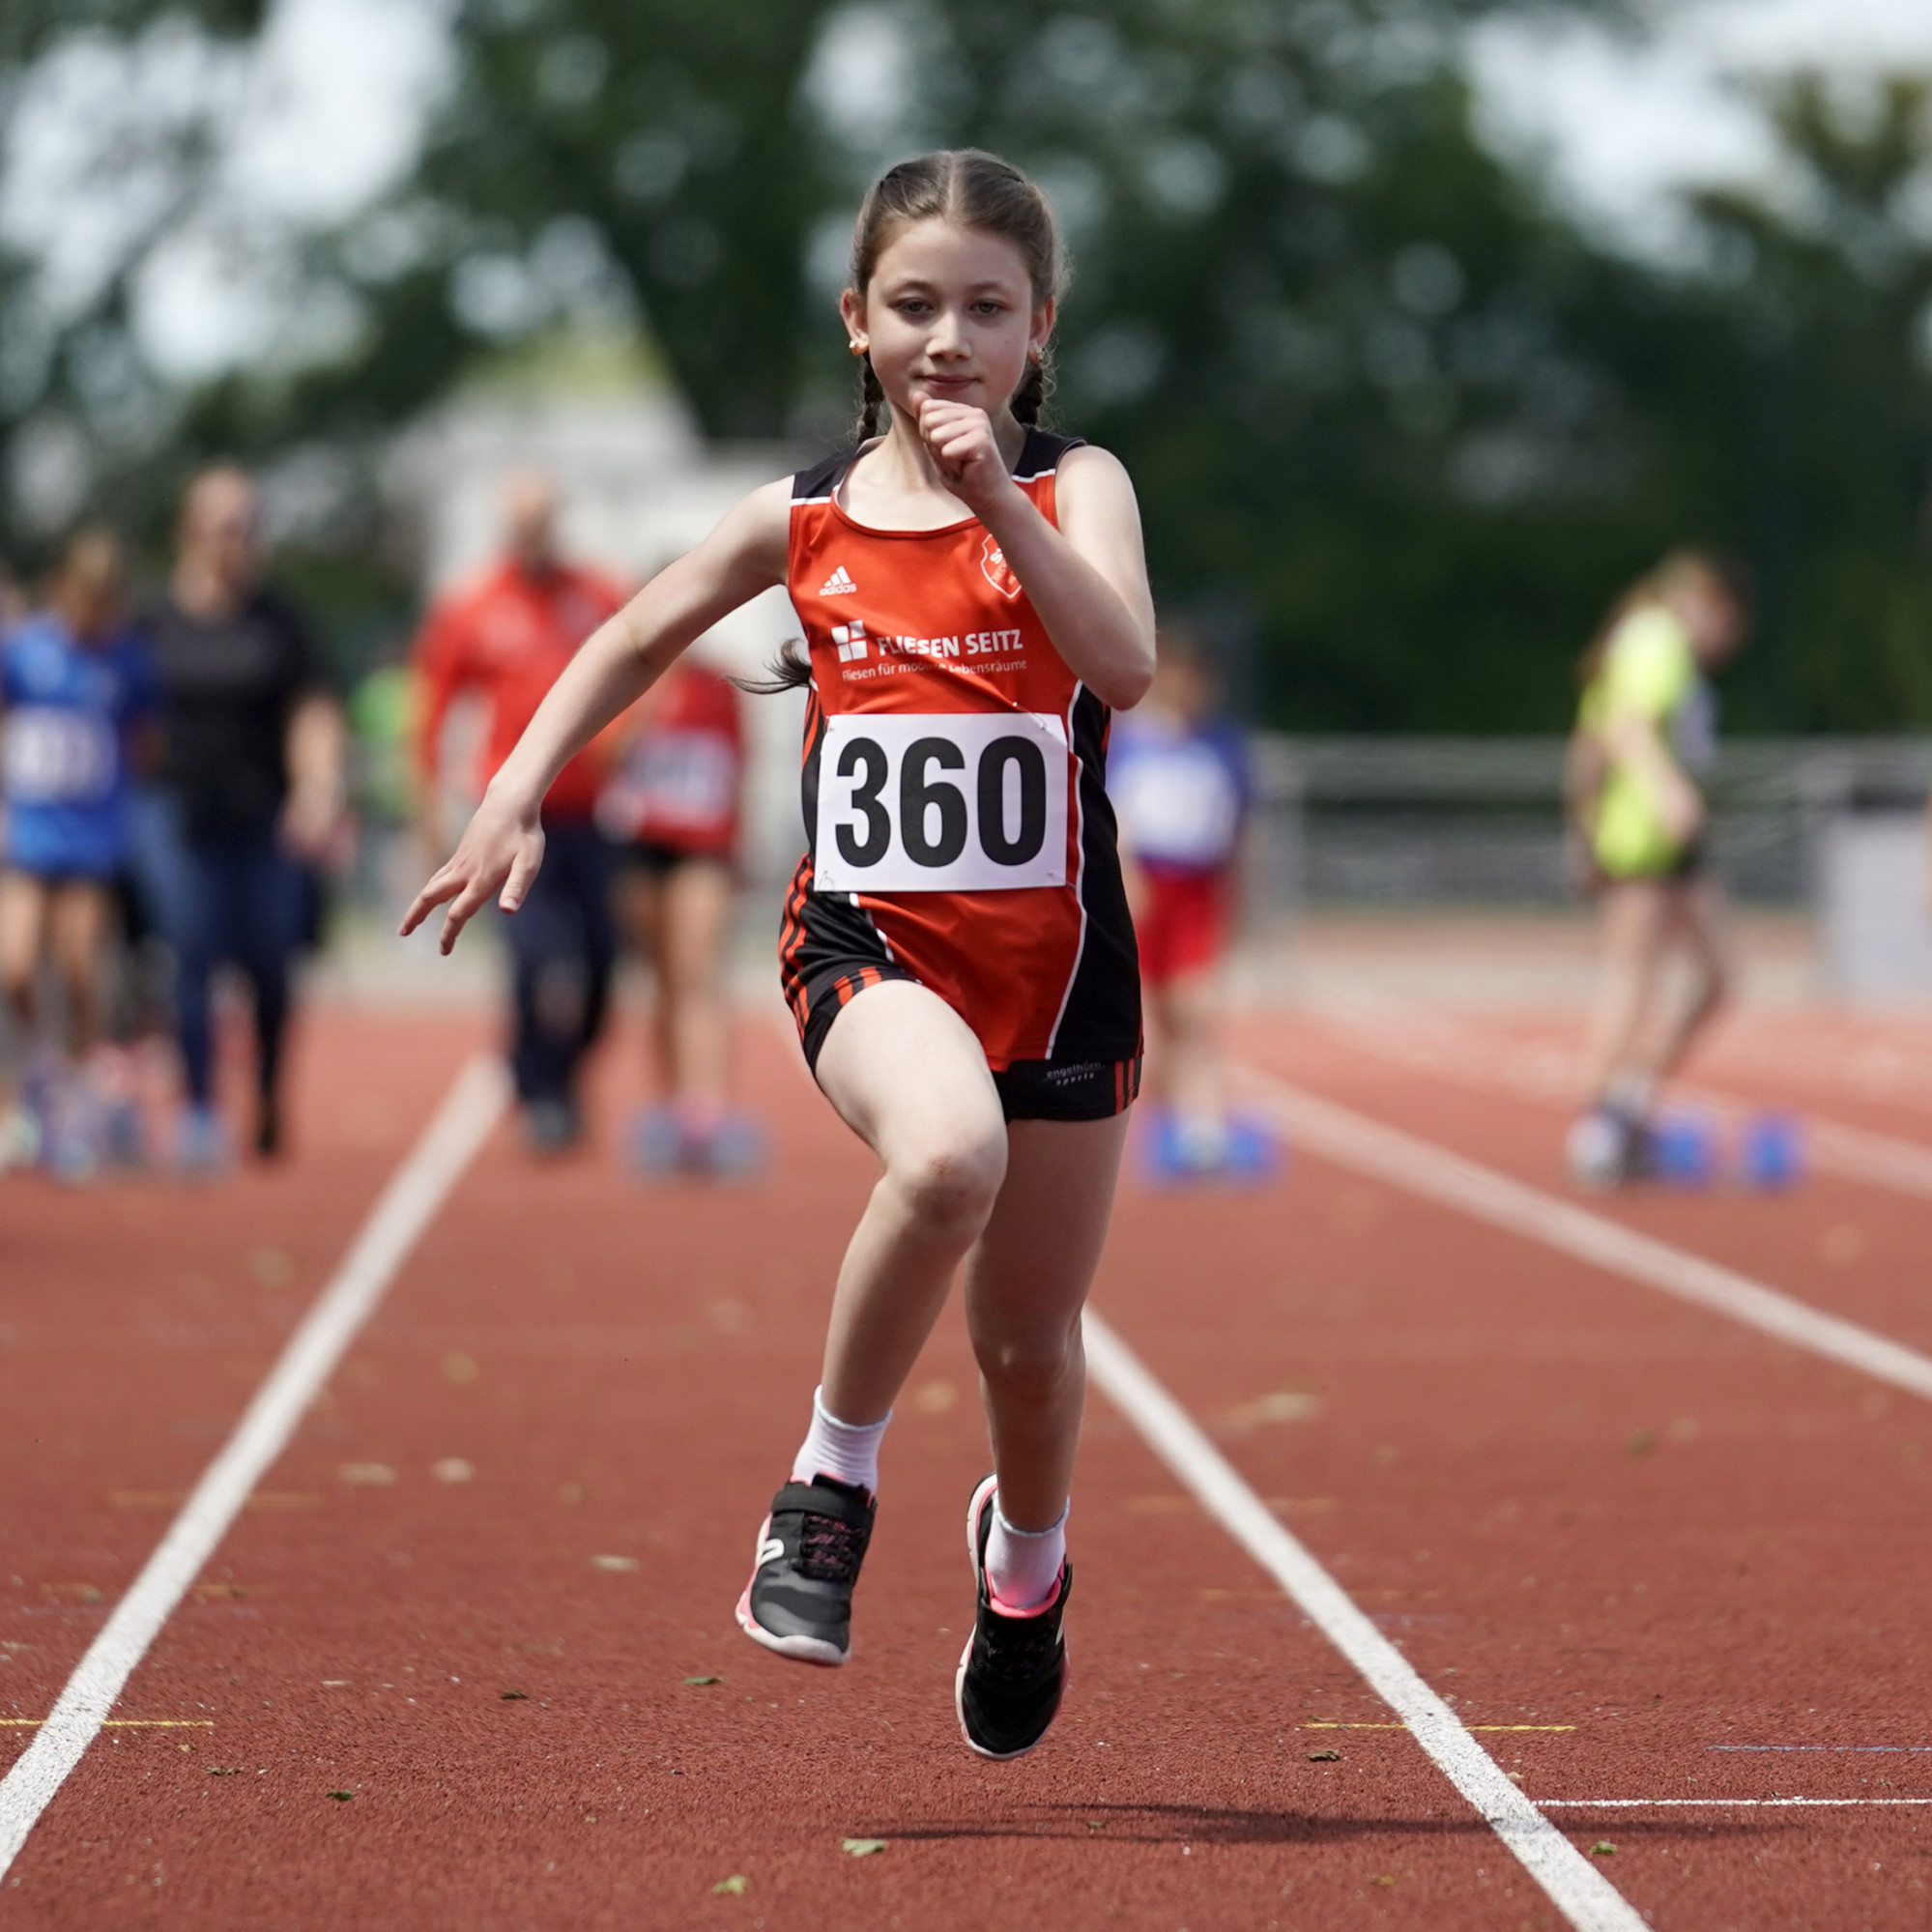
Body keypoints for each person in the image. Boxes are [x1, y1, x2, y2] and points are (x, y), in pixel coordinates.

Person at [404, 150, 1154, 1760]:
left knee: (1028, 1348)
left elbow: (1126, 664)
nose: (947, 337)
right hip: (865, 942)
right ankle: (826, 1487)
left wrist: (998, 504)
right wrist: (509, 796)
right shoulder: (801, 513)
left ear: (1039, 327)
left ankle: (1023, 1572)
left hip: (1059, 963)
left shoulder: (1079, 485)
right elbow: (628, 631)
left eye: (985, 309)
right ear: (853, 320)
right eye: (912, 305)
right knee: (944, 1157)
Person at [133, 465, 346, 1168]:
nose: (238, 540)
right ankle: (199, 1107)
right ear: (190, 532)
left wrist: (317, 788)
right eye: (225, 526)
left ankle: (266, 1094)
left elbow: (312, 709)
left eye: (249, 527)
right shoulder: (152, 621)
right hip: (178, 811)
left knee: (271, 963)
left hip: (263, 815)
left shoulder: (281, 621)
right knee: (191, 955)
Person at [413, 472, 626, 1154]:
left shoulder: (594, 597)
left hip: (588, 815)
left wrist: (627, 747)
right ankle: (540, 1093)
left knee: (601, 961)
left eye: (541, 521)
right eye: (519, 523)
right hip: (513, 818)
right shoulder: (473, 607)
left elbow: (643, 671)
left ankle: (559, 1072)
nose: (530, 535)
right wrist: (429, 809)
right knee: (532, 960)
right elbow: (432, 713)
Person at [1565, 548, 1750, 1186]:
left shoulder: (1640, 641)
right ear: (1715, 609)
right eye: (1728, 633)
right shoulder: (1654, 639)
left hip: (1665, 841)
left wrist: (1580, 825)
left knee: (1717, 976)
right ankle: (1596, 1125)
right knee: (1632, 980)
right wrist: (1664, 791)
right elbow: (1621, 727)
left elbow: (1585, 748)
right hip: (1645, 838)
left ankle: (1627, 1106)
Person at [0, 528, 157, 1177]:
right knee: (13, 965)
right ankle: (35, 1079)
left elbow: (145, 746)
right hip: (30, 834)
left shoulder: (127, 665)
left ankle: (83, 1097)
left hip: (90, 840)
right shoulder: (25, 652)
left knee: (78, 967)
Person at [1109, 628, 1270, 1180]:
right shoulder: (1128, 740)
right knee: (1147, 1020)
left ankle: (1203, 1127)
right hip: (1145, 887)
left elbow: (1241, 828)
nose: (1188, 686)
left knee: (1196, 1011)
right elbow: (1112, 816)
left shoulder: (1224, 746)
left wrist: (1241, 896)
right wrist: (1126, 877)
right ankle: (1165, 1122)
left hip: (1199, 890)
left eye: (1198, 676)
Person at [595, 651, 763, 1176]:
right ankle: (673, 1106)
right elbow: (602, 757)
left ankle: (707, 1109)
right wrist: (644, 711)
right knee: (662, 981)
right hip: (638, 843)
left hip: (702, 844)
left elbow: (739, 765)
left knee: (699, 973)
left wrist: (740, 842)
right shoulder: (623, 680)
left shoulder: (718, 685)